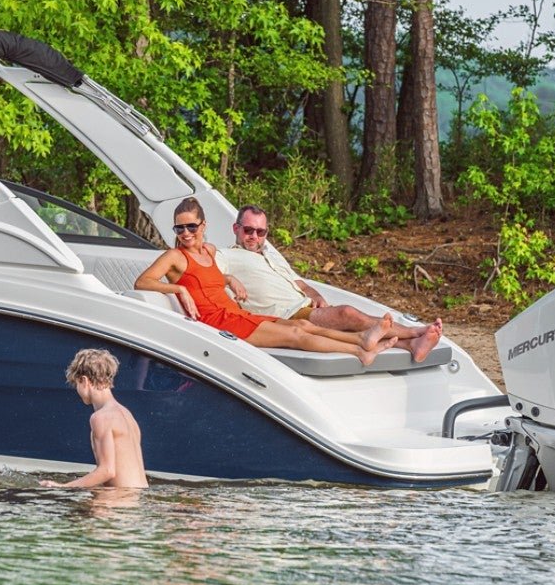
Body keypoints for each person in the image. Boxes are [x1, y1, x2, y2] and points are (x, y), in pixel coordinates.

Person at [133, 198, 397, 365]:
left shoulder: (210, 251)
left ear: (203, 226)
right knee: (295, 334)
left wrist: (229, 277)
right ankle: (359, 350)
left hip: (236, 313)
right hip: (217, 324)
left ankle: (362, 339)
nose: (185, 233)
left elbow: (208, 278)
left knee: (303, 323)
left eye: (191, 226)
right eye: (179, 228)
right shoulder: (174, 256)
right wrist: (178, 287)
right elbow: (142, 282)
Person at [217, 204, 443, 363]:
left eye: (260, 231)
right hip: (285, 315)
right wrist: (229, 279)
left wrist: (314, 294)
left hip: (305, 305)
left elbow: (300, 283)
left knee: (348, 319)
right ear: (236, 229)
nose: (254, 236)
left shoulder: (271, 255)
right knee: (347, 314)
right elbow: (202, 273)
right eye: (248, 230)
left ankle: (409, 345)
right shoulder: (225, 256)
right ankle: (415, 332)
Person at [40, 349, 149, 489]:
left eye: (76, 384)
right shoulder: (127, 414)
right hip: (137, 499)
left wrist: (62, 486)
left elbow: (107, 471)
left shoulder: (101, 417)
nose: (77, 390)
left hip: (119, 502)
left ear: (84, 381)